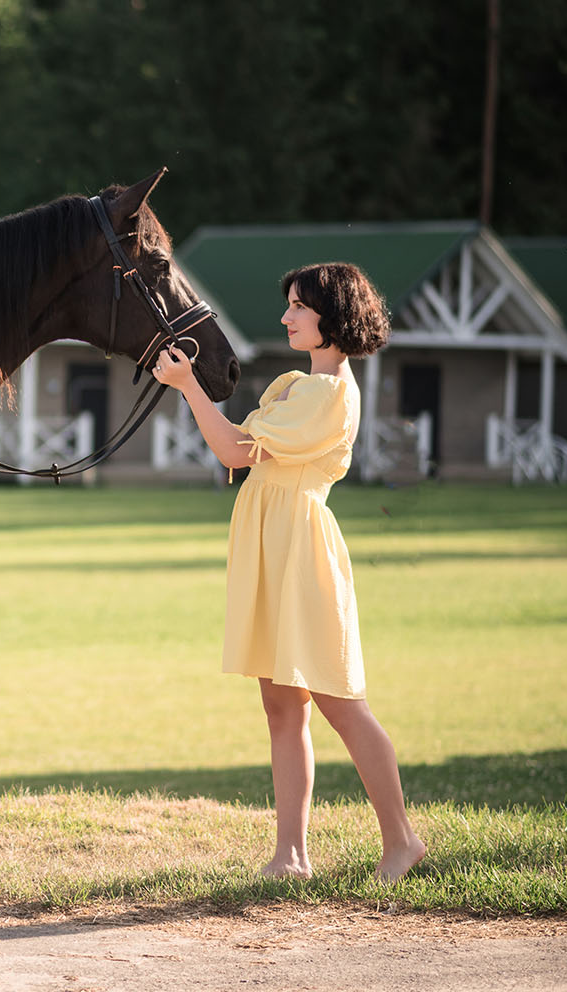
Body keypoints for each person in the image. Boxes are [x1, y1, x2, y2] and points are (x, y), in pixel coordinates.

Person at [151, 262, 426, 883]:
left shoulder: (325, 394)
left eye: (299, 306)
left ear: (332, 316)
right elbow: (240, 450)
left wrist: (188, 384)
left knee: (341, 703)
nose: (286, 317)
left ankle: (402, 841)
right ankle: (291, 856)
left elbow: (231, 451)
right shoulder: (297, 387)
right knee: (282, 706)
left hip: (299, 549)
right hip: (272, 545)